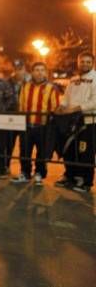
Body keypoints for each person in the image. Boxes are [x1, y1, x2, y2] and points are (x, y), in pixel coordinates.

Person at [10, 62, 60, 185]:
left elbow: (55, 107)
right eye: (36, 70)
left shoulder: (51, 87)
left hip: (43, 126)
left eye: (42, 70)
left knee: (42, 152)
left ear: (46, 72)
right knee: (25, 150)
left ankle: (39, 173)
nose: (39, 72)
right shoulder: (25, 86)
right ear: (32, 72)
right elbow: (21, 106)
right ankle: (25, 173)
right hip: (27, 125)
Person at [54, 52, 96, 193]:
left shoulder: (95, 79)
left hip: (88, 122)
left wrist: (77, 108)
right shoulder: (73, 80)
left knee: (85, 153)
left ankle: (86, 181)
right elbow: (66, 98)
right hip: (71, 121)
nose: (85, 64)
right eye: (82, 61)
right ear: (78, 62)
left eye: (88, 62)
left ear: (92, 63)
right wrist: (61, 106)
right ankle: (70, 175)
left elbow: (94, 102)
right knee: (68, 150)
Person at [4, 59, 30, 168]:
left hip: (26, 117)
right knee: (9, 143)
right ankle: (5, 166)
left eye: (21, 69)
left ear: (25, 70)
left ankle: (25, 170)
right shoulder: (7, 82)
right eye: (16, 69)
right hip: (12, 117)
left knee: (25, 145)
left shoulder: (31, 82)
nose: (18, 72)